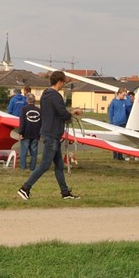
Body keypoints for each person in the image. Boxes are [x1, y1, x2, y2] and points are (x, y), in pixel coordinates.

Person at [18, 70, 82, 201]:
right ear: (59, 81)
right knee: (44, 165)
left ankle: (65, 192)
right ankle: (25, 188)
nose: (64, 84)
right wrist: (74, 112)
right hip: (52, 135)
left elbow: (55, 113)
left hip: (49, 134)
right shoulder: (56, 96)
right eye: (64, 82)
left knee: (59, 166)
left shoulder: (45, 95)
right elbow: (63, 114)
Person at [16, 93, 41, 171]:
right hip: (35, 134)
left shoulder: (23, 109)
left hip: (26, 133)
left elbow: (22, 122)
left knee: (24, 152)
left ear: (27, 100)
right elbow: (41, 123)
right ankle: (32, 167)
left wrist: (20, 133)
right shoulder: (39, 110)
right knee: (34, 153)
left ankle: (23, 167)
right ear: (34, 101)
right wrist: (39, 134)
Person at [107, 89, 129, 160]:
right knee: (115, 140)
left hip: (123, 123)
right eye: (123, 95)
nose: (124, 96)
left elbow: (129, 106)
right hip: (115, 123)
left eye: (125, 95)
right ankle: (115, 155)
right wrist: (111, 123)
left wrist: (127, 97)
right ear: (119, 94)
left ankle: (120, 155)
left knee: (121, 141)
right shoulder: (114, 102)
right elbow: (110, 113)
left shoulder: (125, 102)